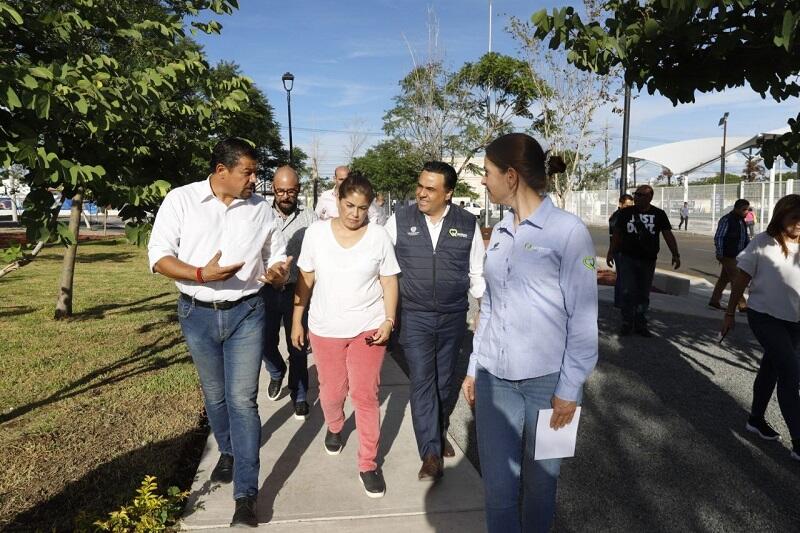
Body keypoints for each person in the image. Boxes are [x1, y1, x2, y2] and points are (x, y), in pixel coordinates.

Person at [148, 138, 292, 528]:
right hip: (197, 313)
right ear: (221, 171)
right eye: (248, 171)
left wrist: (279, 271)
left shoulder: (261, 209)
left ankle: (246, 495)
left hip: (247, 312)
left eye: (256, 171)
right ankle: (226, 450)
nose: (254, 179)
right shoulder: (180, 201)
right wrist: (200, 274)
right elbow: (158, 257)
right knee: (215, 396)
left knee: (242, 400)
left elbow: (275, 254)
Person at [461, 133, 598, 533]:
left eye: (487, 173)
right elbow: (489, 306)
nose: (484, 181)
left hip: (547, 384)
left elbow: (584, 317)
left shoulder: (569, 232)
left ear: (511, 175)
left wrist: (570, 389)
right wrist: (474, 366)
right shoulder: (500, 232)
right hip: (494, 380)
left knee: (541, 489)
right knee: (499, 492)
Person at [291, 172, 400, 498]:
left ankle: (368, 463)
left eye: (362, 208)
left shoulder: (379, 236)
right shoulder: (316, 234)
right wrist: (297, 320)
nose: (355, 213)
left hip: (368, 326)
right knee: (332, 391)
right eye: (350, 205)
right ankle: (335, 426)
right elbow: (305, 279)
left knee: (366, 395)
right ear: (337, 200)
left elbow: (389, 281)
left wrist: (389, 320)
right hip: (325, 328)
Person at [385, 161, 485, 481]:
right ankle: (430, 453)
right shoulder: (399, 220)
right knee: (423, 380)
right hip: (414, 316)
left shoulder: (468, 224)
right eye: (420, 186)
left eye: (430, 188)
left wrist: (485, 309)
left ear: (448, 193)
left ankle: (437, 433)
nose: (421, 193)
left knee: (443, 383)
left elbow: (478, 274)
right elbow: (382, 266)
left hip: (453, 316)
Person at [721, 194, 800, 462]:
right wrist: (730, 313)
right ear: (781, 217)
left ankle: (755, 420)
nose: (799, 224)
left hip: (795, 321)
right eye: (794, 218)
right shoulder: (761, 243)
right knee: (790, 372)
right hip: (764, 316)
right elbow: (740, 280)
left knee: (772, 366)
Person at [263, 166, 317, 420]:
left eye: (291, 191)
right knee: (263, 343)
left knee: (297, 343)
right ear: (273, 188)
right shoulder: (259, 214)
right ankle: (275, 371)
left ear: (299, 190)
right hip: (264, 290)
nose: (285, 196)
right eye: (281, 190)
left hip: (297, 291)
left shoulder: (311, 218)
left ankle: (300, 392)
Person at [606, 184, 681, 337]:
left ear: (650, 197)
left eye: (641, 195)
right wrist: (611, 253)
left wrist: (675, 254)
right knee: (627, 291)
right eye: (636, 194)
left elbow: (668, 235)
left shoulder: (659, 214)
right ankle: (627, 323)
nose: (637, 197)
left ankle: (641, 324)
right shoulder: (625, 213)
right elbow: (617, 235)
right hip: (628, 258)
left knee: (643, 293)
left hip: (647, 260)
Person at [708, 199, 750, 311]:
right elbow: (719, 237)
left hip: (738, 255)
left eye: (747, 209)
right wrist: (720, 253)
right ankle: (742, 304)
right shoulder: (727, 220)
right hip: (728, 255)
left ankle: (714, 300)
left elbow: (744, 238)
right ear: (736, 208)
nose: (746, 212)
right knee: (736, 280)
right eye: (744, 209)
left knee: (724, 278)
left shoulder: (741, 221)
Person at [315, 165, 380, 223]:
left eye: (346, 179)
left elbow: (374, 217)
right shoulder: (325, 196)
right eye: (341, 179)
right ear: (335, 179)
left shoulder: (358, 195)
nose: (344, 182)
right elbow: (317, 217)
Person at [609, 194, 634, 309]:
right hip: (619, 251)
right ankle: (619, 302)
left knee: (625, 277)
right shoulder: (617, 217)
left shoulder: (628, 215)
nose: (630, 207)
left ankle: (622, 301)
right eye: (627, 205)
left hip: (626, 251)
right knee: (622, 277)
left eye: (631, 205)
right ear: (620, 204)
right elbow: (615, 236)